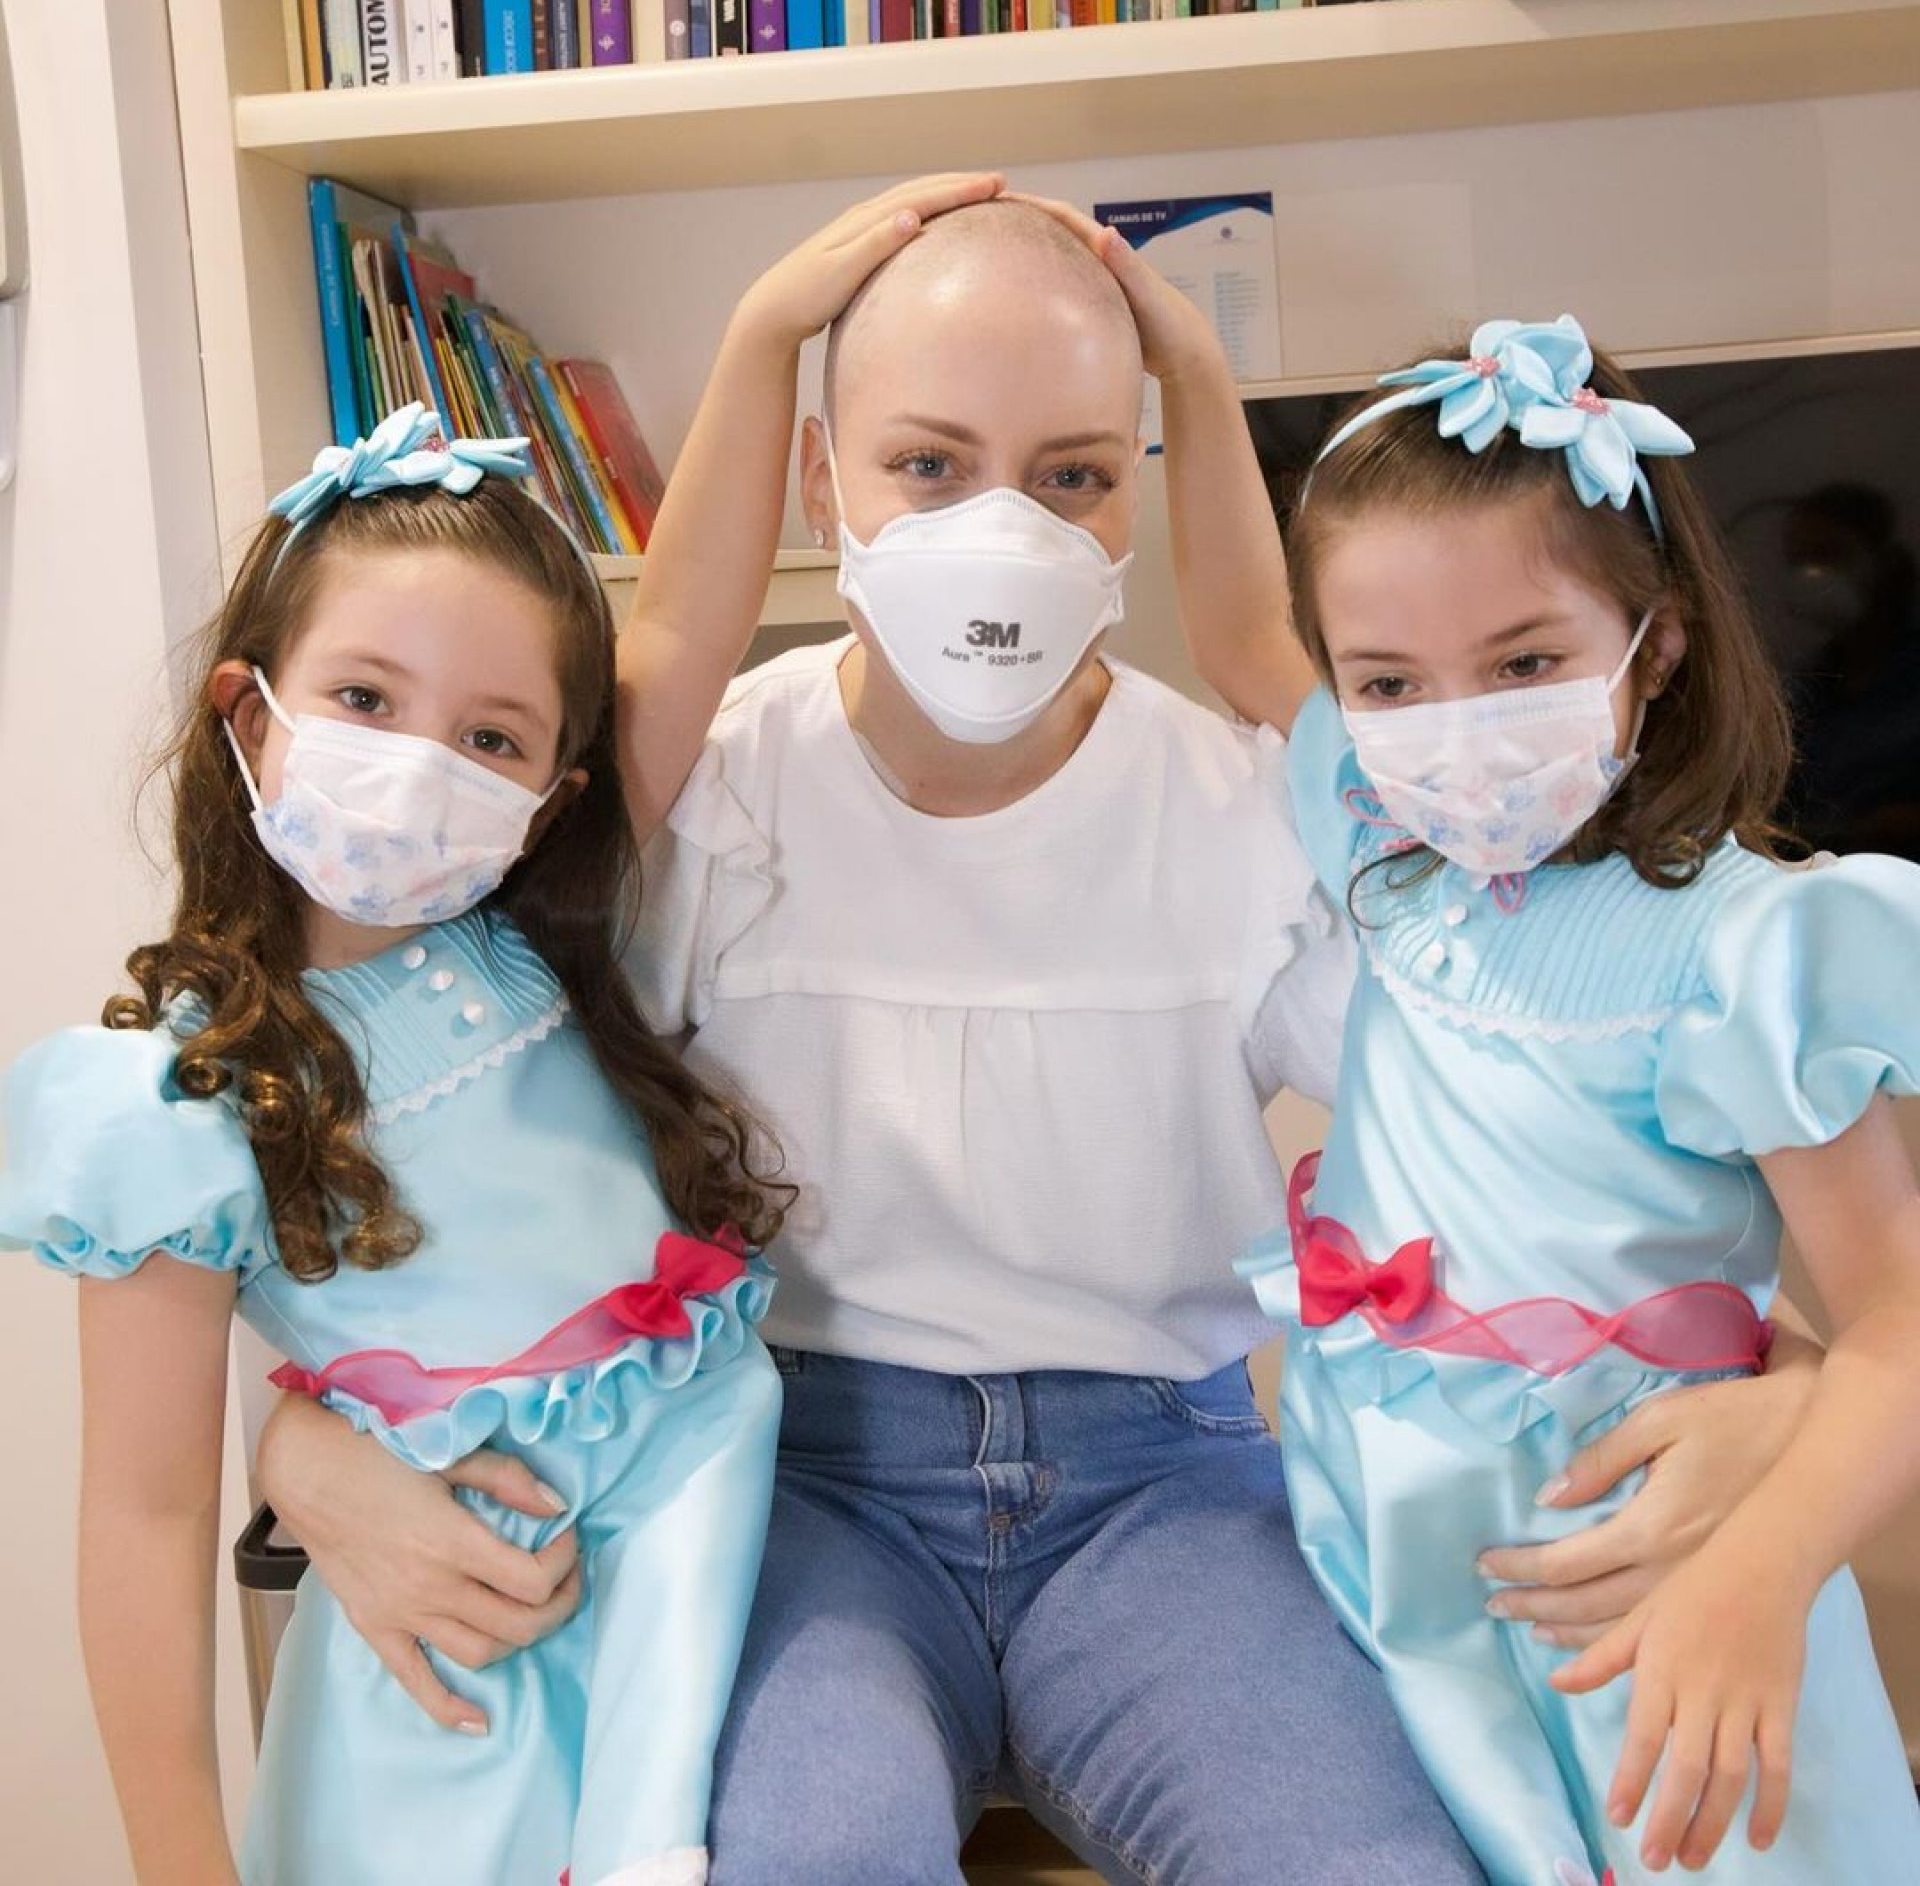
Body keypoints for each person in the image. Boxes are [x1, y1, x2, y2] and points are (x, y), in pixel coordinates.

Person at [258, 203, 1822, 1885]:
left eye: (1073, 473)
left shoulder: (1256, 813)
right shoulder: (705, 797)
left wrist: (1797, 1375)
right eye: (928, 465)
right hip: (803, 1490)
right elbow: (439, 1141)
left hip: (1173, 1494)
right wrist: (294, 1447)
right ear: (819, 485)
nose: (1001, 523)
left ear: (1137, 491)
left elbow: (1525, 1125)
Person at [0, 405, 794, 1886]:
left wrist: (772, 329)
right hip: (451, 1657)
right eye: (364, 697)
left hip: (702, 1576)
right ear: (251, 713)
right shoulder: (176, 1098)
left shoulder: (545, 951)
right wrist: (179, 1865)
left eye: (490, 736)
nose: (422, 762)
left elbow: (685, 617)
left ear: (549, 795)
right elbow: (145, 1514)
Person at [1186, 316, 1920, 1882]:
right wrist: (1181, 354)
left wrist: (1769, 1575)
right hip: (1377, 1527)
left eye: (1524, 664)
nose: (1455, 728)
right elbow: (1239, 624)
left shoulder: (1746, 946)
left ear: (1653, 650)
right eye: (1388, 682)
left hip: (1643, 1547)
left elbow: (1898, 1325)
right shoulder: (1389, 855)